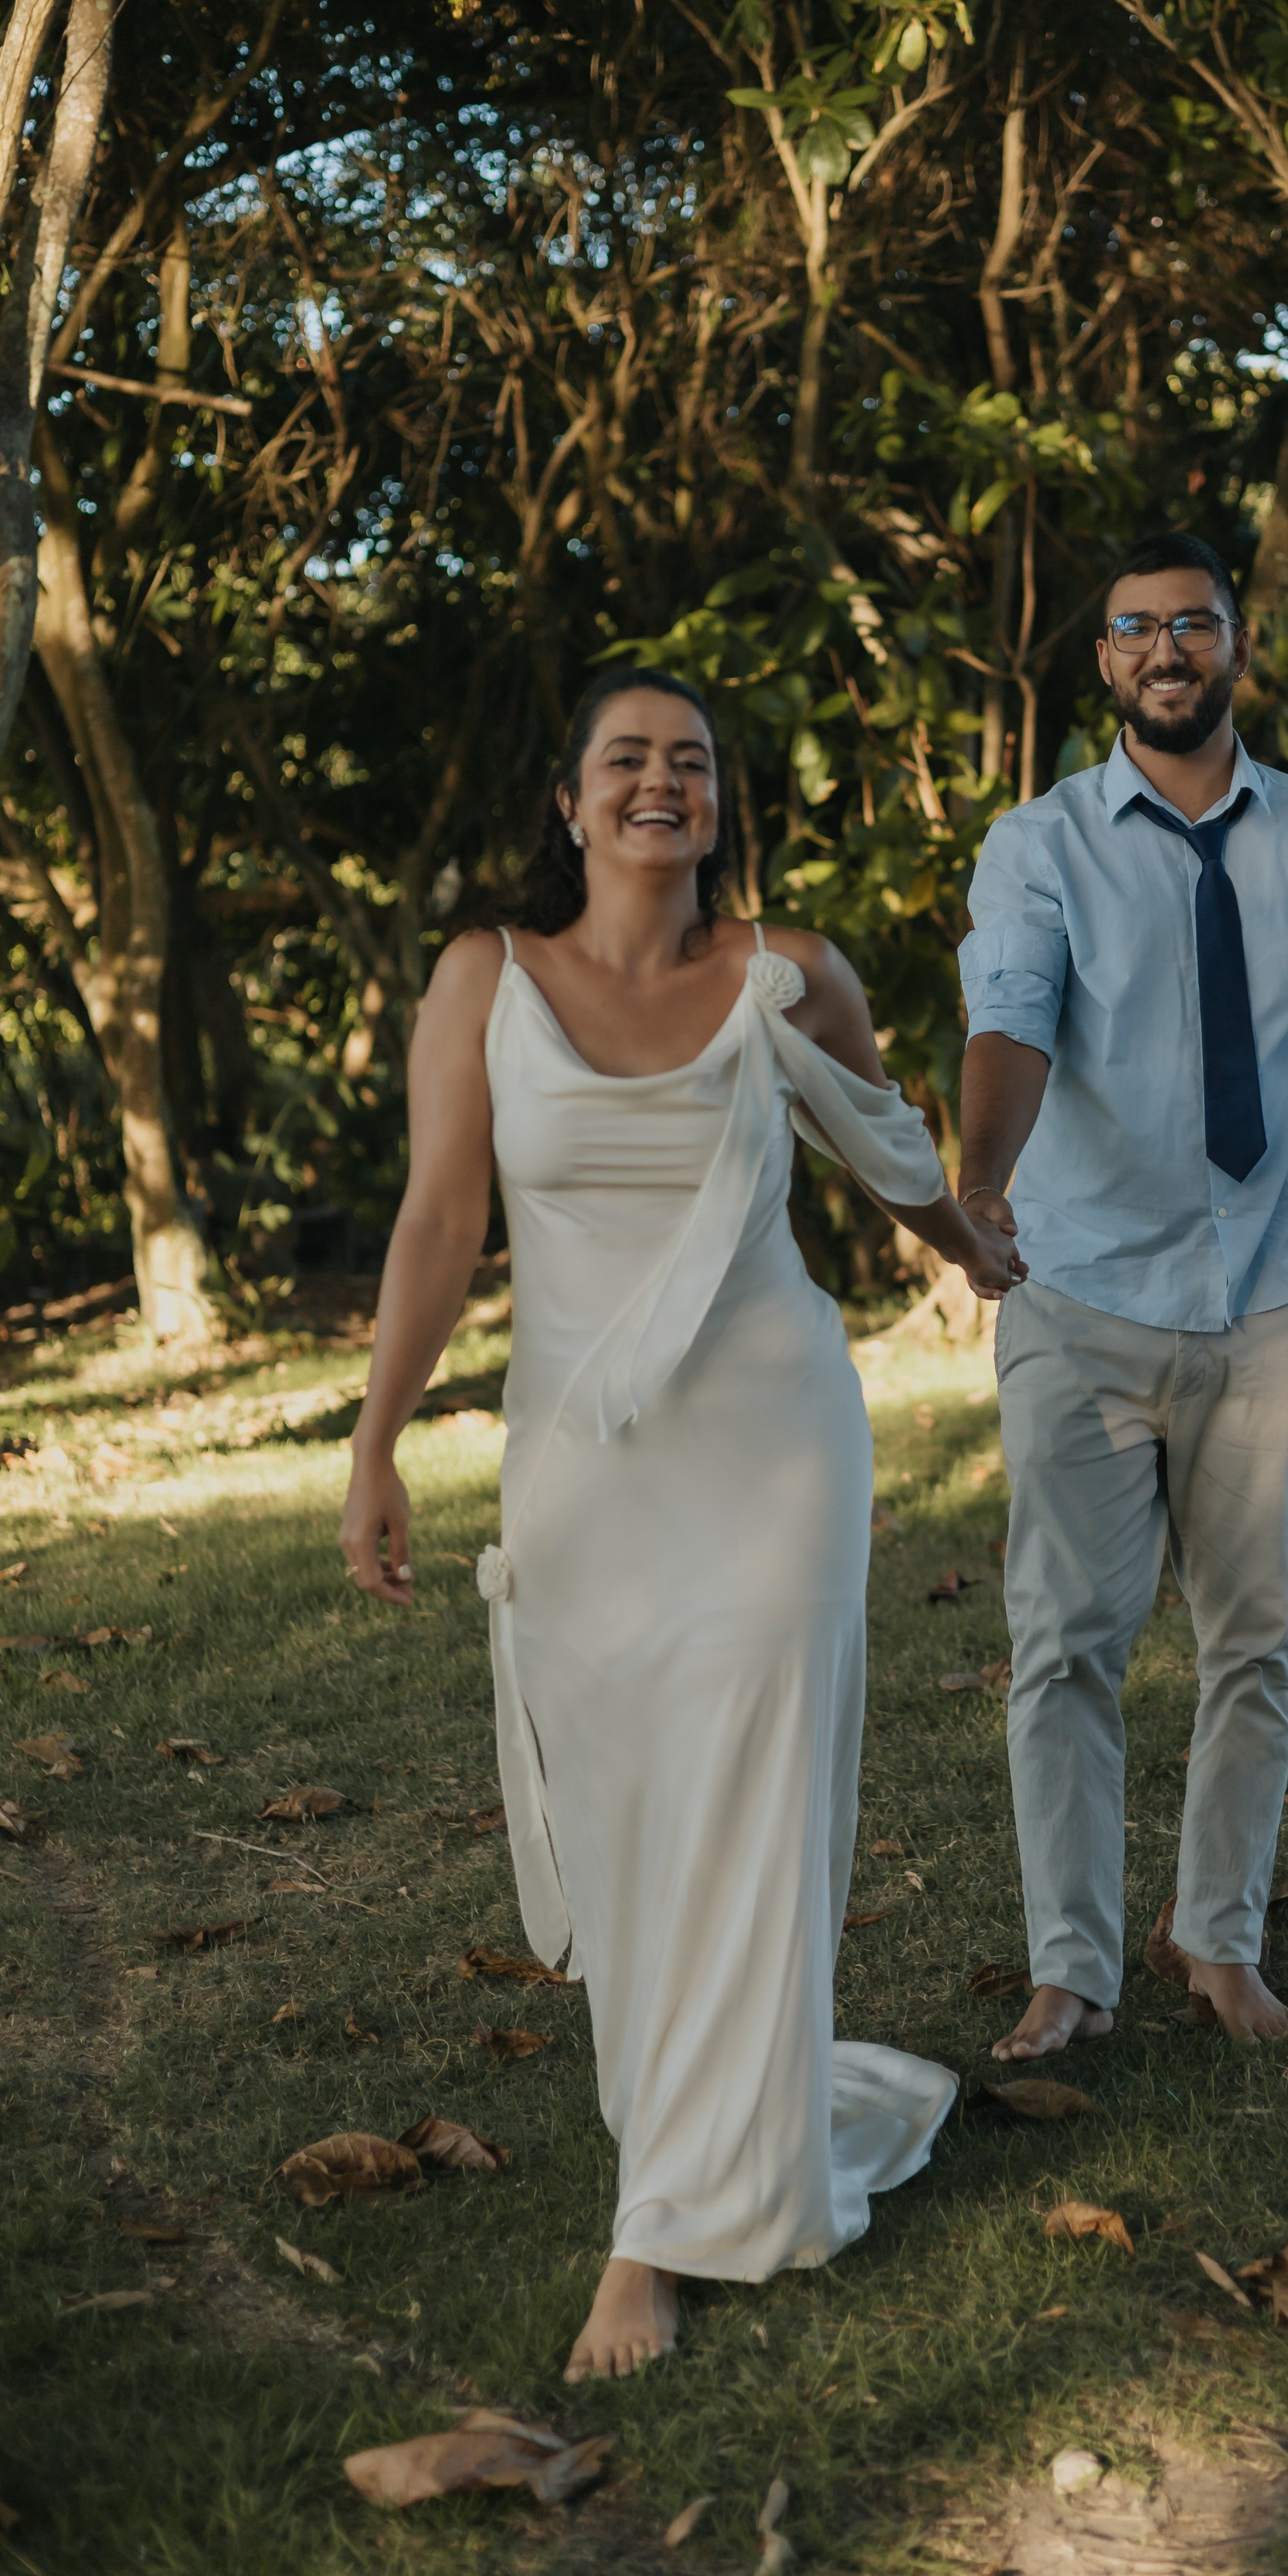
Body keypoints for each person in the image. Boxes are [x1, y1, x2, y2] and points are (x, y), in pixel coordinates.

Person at [340, 669, 1021, 2378]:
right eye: (625, 761)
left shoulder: (787, 977)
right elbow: (438, 1224)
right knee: (637, 1811)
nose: (661, 784)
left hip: (773, 1443)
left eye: (692, 765)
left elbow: (883, 1152)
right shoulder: (483, 980)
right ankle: (698, 2129)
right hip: (582, 1461)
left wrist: (973, 1247)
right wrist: (375, 1444)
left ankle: (655, 2237)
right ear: (567, 802)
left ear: (717, 807)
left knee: (751, 1787)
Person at [955, 530, 1288, 2061]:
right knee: (1065, 1642)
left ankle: (1220, 1940)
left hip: (1267, 1304)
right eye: (1134, 631)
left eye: (1192, 625)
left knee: (1257, 1636)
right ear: (1101, 664)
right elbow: (1010, 1020)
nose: (1165, 650)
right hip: (1081, 1297)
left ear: (1235, 649)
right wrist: (979, 1181)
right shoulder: (1036, 845)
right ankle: (1071, 1968)